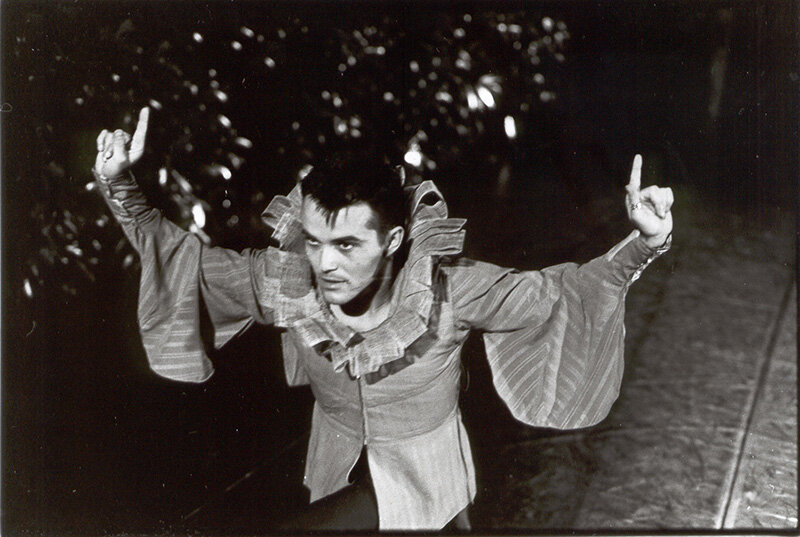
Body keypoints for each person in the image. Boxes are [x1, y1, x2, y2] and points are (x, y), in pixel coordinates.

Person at [93, 107, 673, 531]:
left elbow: (562, 293)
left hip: (426, 488)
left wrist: (645, 244)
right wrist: (120, 185)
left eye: (347, 245)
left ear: (393, 240)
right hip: (337, 469)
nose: (324, 264)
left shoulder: (452, 289)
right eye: (314, 241)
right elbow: (188, 262)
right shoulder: (286, 282)